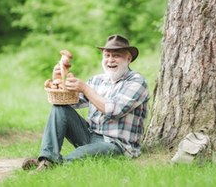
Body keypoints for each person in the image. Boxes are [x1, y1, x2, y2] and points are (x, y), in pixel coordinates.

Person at [22, 34, 150, 171]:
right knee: (59, 109)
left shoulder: (136, 82)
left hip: (117, 145)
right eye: (107, 55)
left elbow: (115, 110)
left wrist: (85, 88)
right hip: (89, 135)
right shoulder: (97, 80)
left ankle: (53, 165)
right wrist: (59, 79)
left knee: (82, 155)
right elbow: (71, 102)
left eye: (116, 55)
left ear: (128, 58)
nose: (110, 60)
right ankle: (46, 158)